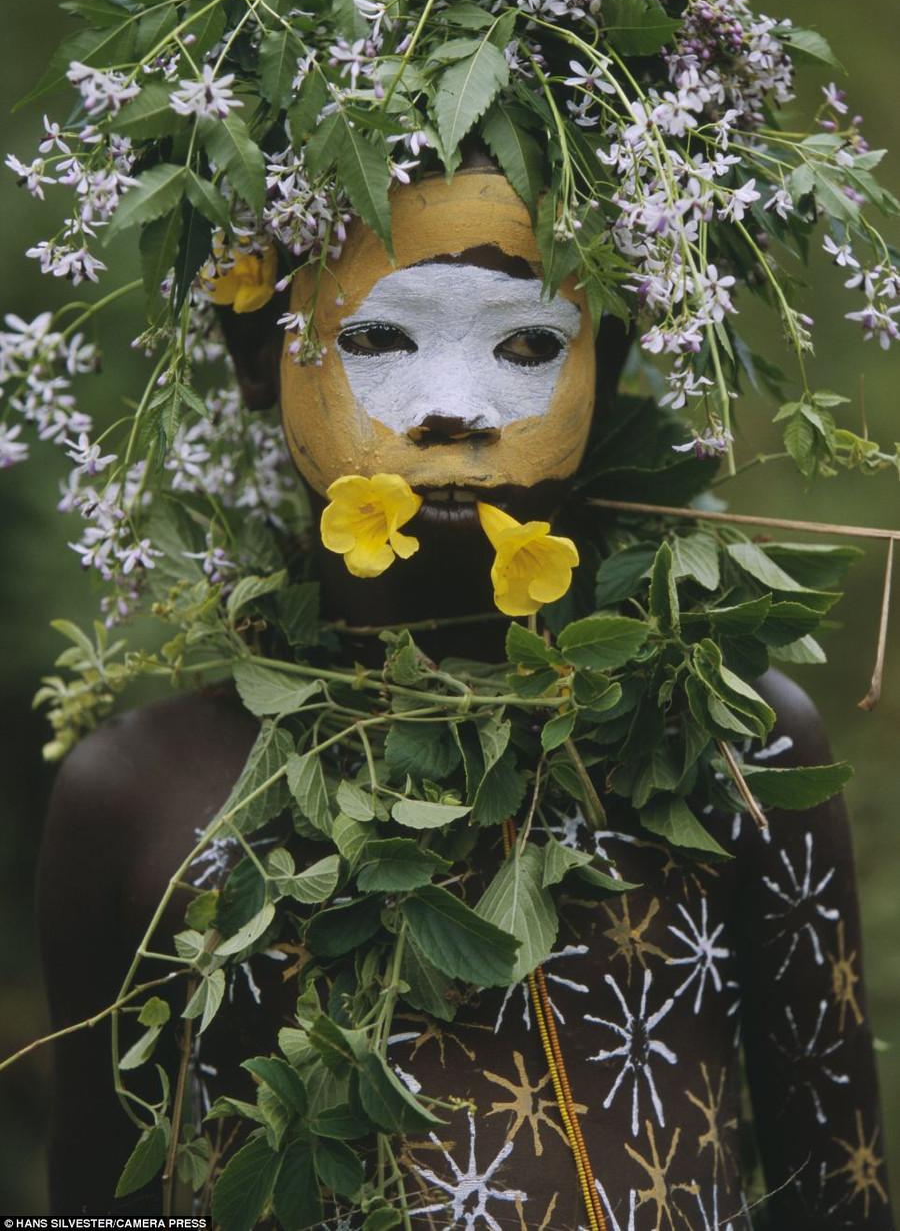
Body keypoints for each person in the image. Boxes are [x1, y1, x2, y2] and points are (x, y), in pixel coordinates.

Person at [37, 167, 894, 1229]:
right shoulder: (138, 793)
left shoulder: (729, 744)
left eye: (526, 344)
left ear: (609, 365)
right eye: (381, 339)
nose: (455, 405)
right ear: (260, 356)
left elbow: (845, 1193)